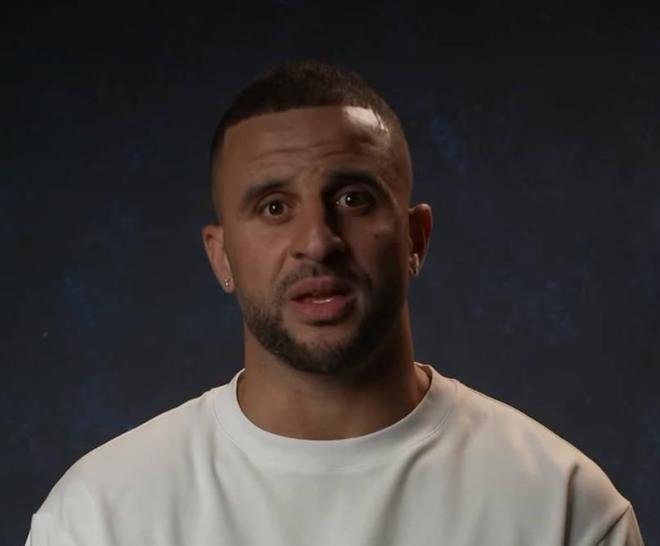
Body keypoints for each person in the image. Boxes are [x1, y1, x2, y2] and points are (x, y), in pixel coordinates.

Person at [26, 60, 645, 545]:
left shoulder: (562, 508)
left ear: (415, 238)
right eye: (274, 207)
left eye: (353, 198)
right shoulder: (99, 518)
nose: (318, 241)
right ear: (221, 256)